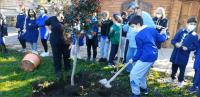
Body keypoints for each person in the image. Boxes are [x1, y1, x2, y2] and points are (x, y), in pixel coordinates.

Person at [129, 15, 167, 97]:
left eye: (133, 26)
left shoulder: (138, 36)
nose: (133, 28)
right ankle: (144, 89)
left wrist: (133, 59)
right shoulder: (152, 30)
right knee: (142, 73)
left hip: (146, 57)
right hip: (153, 56)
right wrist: (165, 34)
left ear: (138, 24)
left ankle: (136, 93)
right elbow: (162, 39)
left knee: (134, 74)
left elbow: (139, 51)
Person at [125, 2, 156, 72]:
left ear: (136, 9)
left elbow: (152, 27)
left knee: (137, 59)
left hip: (139, 43)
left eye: (131, 11)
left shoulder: (145, 15)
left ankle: (136, 73)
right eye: (128, 11)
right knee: (128, 57)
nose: (129, 13)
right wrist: (125, 26)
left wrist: (142, 29)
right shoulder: (131, 16)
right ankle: (129, 71)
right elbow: (127, 27)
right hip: (131, 42)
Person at [169, 17, 198, 88]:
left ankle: (180, 81)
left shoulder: (195, 35)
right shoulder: (181, 31)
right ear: (187, 24)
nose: (193, 25)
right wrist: (176, 44)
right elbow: (173, 40)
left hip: (184, 55)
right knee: (174, 67)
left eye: (194, 24)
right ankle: (172, 77)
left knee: (182, 69)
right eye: (191, 24)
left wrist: (188, 48)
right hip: (176, 53)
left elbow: (195, 46)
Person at [45, 11, 71, 80]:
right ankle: (58, 71)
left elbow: (70, 28)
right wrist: (49, 31)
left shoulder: (67, 19)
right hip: (55, 41)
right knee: (56, 56)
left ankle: (67, 68)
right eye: (59, 12)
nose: (61, 13)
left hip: (65, 41)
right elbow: (46, 24)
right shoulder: (52, 18)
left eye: (62, 12)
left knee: (66, 55)